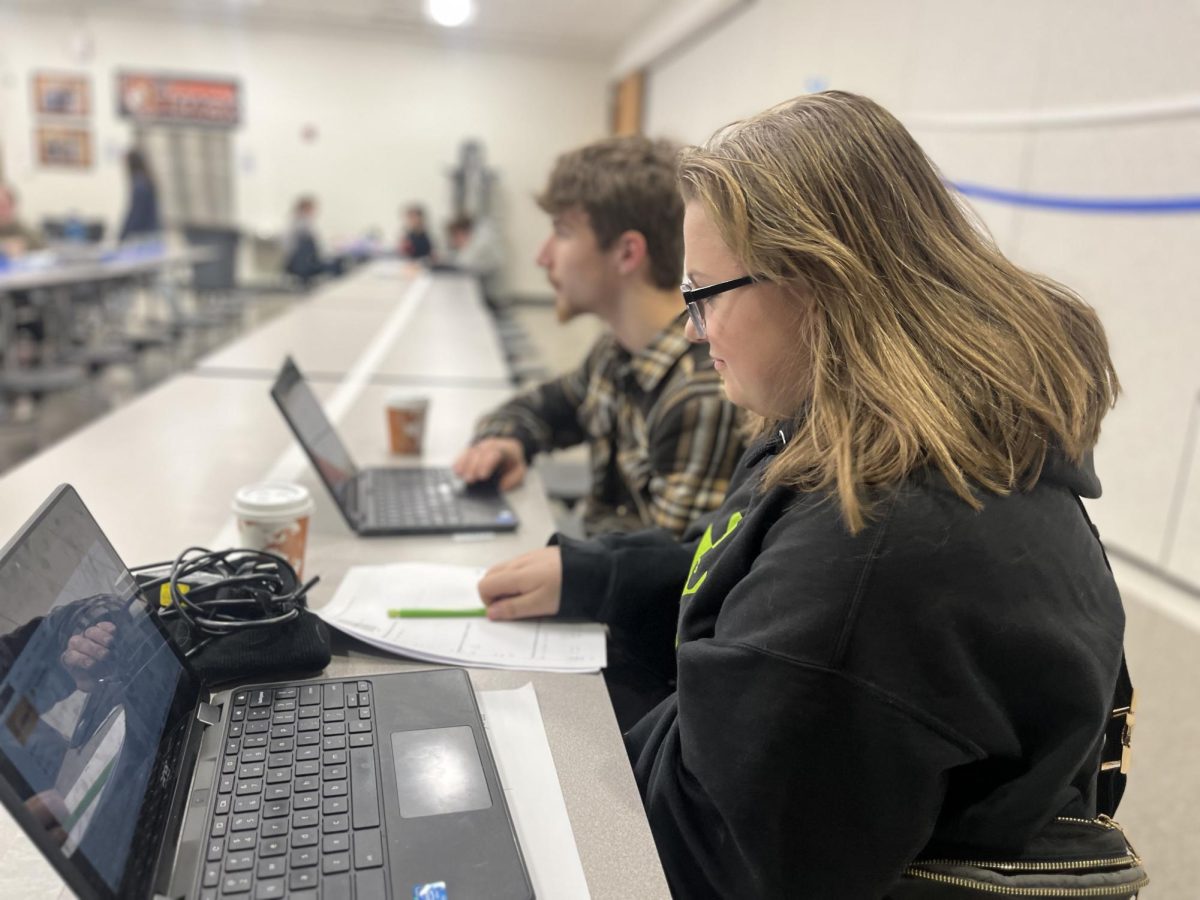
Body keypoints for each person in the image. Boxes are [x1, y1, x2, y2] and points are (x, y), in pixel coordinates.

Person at [473, 92, 1129, 897]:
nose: (691, 329)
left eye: (705, 293)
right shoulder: (889, 433)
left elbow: (694, 852)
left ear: (816, 283)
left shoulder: (867, 553)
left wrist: (516, 771)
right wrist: (600, 577)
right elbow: (750, 579)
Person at [454, 136, 746, 539]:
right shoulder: (616, 352)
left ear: (627, 253)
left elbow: (667, 579)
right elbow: (546, 407)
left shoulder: (699, 393)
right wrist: (506, 442)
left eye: (562, 231)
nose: (543, 256)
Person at [283, 195, 343, 287]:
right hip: (304, 264)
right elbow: (317, 249)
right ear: (305, 209)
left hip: (299, 263)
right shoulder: (304, 226)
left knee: (335, 260)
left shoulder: (294, 223)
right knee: (338, 262)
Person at [117, 148, 161, 241]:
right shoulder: (147, 180)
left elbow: (136, 214)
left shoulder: (139, 184)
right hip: (152, 232)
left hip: (143, 236)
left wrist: (123, 234)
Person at [0, 182, 44, 258]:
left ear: (12, 207)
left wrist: (24, 245)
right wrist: (4, 247)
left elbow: (41, 246)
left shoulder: (21, 228)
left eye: (3, 207)